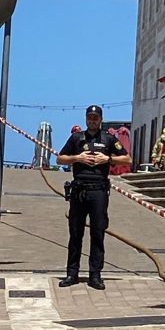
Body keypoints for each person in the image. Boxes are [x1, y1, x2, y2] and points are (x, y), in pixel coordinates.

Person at [56, 105, 132, 290]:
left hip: (98, 191)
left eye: (95, 118)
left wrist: (107, 159)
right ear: (85, 119)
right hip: (79, 191)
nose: (92, 120)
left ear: (100, 119)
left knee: (97, 233)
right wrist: (77, 158)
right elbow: (60, 158)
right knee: (75, 234)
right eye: (89, 117)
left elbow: (128, 159)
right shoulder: (76, 138)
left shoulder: (108, 138)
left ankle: (95, 275)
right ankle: (72, 273)